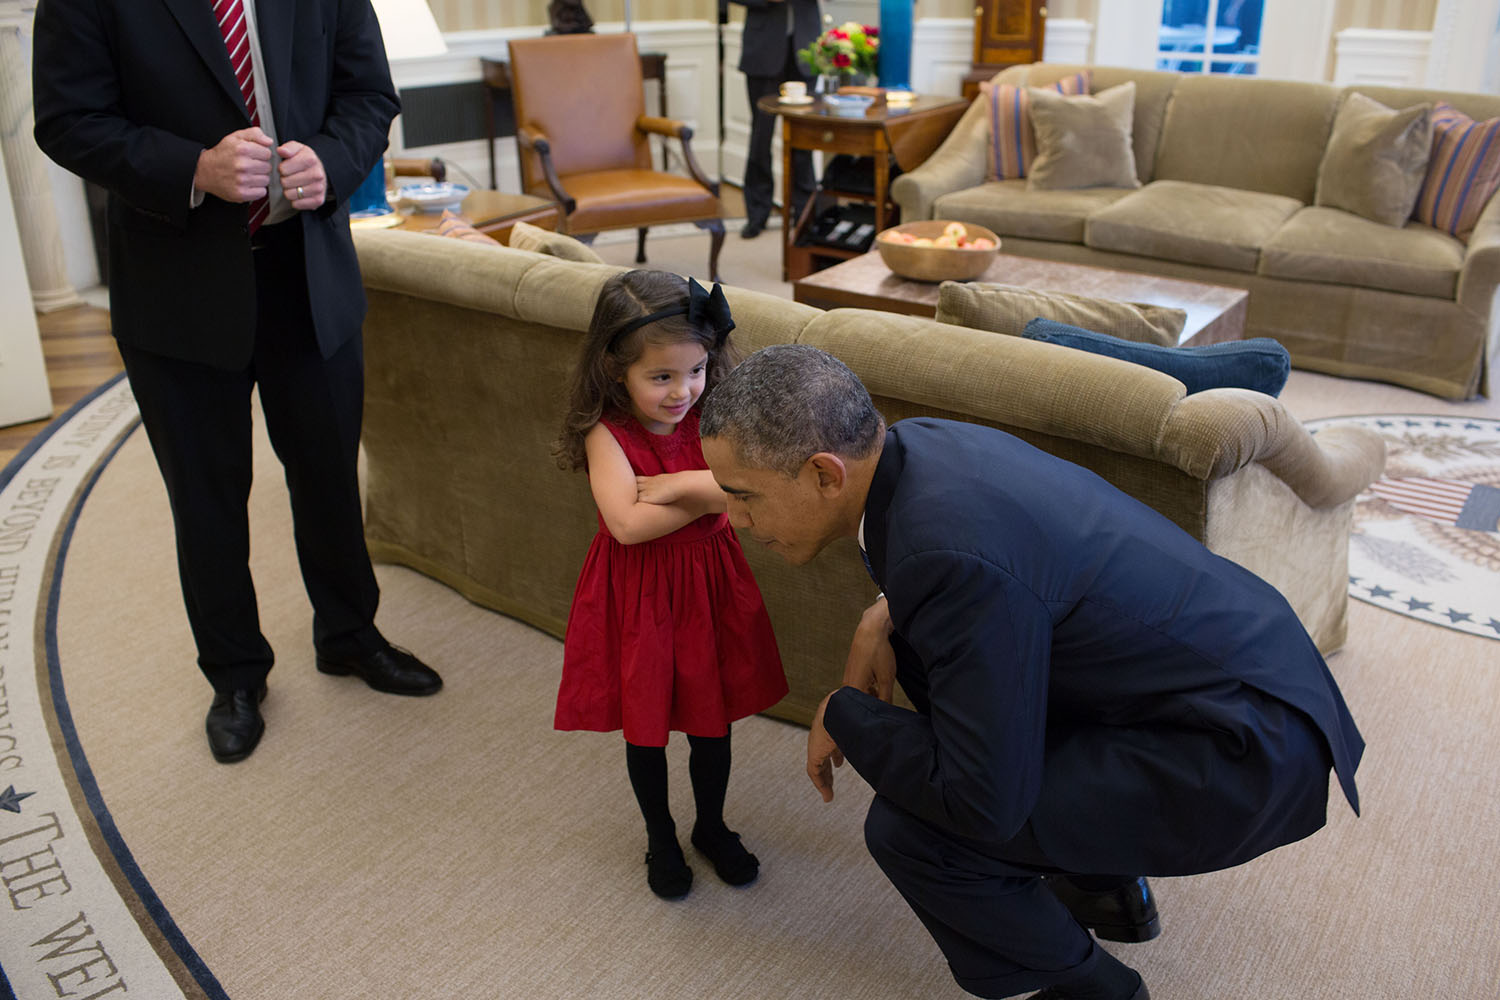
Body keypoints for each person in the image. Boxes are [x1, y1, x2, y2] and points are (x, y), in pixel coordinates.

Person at [699, 345, 1364, 1000]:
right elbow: (1009, 573)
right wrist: (883, 615)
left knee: (916, 833)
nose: (735, 519)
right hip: (1242, 674)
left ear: (824, 473)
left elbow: (982, 801)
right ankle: (1106, 886)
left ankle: (1099, 989)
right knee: (930, 665)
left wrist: (845, 709)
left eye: (742, 495)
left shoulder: (944, 554)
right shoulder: (920, 450)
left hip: (1238, 752)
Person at [31, 0, 443, 766]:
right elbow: (67, 120)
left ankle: (350, 636)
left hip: (309, 275)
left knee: (327, 475)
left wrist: (334, 157)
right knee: (207, 494)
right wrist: (193, 168)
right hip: (177, 288)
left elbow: (368, 95)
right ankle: (235, 676)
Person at [553, 270, 788, 899]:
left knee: (713, 719)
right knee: (647, 720)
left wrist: (685, 486)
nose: (682, 391)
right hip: (641, 595)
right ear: (614, 370)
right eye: (661, 377)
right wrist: (716, 492)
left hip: (710, 585)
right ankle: (660, 835)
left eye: (695, 371)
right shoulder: (607, 432)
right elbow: (628, 525)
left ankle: (711, 825)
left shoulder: (716, 413)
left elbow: (751, 486)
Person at [730, 0, 820, 239]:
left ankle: (804, 214)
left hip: (806, 48)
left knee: (803, 138)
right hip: (762, 49)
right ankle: (757, 213)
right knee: (761, 136)